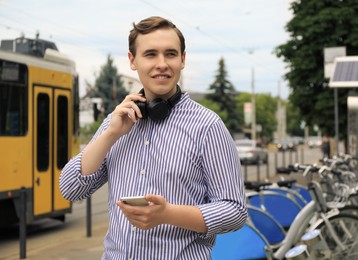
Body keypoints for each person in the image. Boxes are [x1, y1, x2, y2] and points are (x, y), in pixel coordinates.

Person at [60, 16, 247, 259]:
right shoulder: (115, 122)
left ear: (182, 59)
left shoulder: (208, 126)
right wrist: (111, 134)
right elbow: (70, 189)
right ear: (132, 60)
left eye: (170, 54)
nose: (162, 64)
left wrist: (167, 214)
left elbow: (234, 211)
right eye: (150, 54)